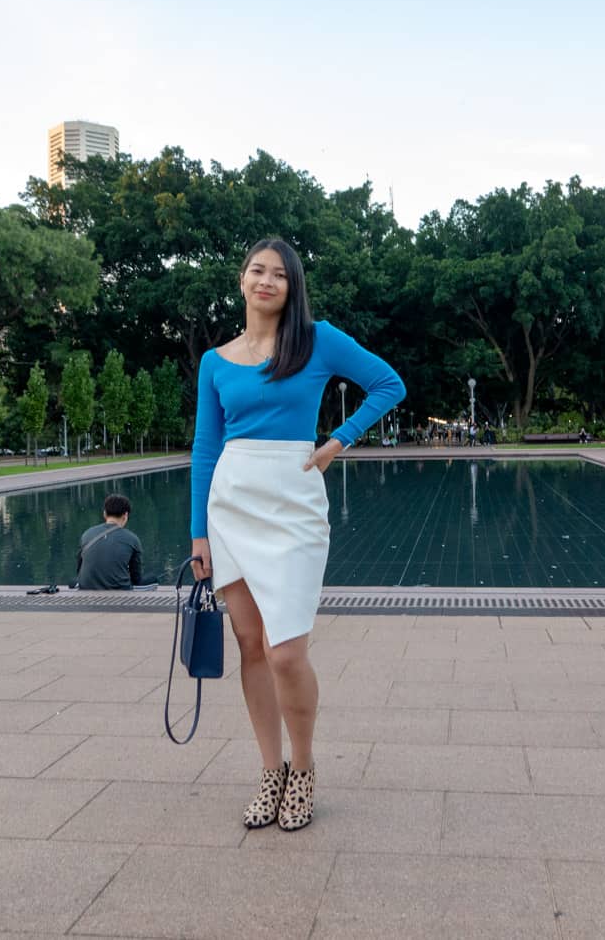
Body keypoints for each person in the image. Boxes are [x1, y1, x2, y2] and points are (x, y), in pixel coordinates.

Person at [191, 237, 404, 833]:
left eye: (279, 275)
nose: (266, 281)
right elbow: (206, 446)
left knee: (286, 651)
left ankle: (304, 769)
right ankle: (270, 770)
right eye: (257, 270)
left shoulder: (316, 339)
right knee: (250, 645)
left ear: (292, 286)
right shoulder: (216, 360)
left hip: (292, 501)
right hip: (229, 504)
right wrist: (197, 534)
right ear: (241, 280)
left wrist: (340, 439)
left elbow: (389, 384)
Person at [74, 494, 154, 590]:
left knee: (73, 581)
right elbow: (136, 578)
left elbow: (79, 569)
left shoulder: (87, 534)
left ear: (104, 513)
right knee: (153, 579)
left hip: (86, 588)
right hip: (120, 591)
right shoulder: (132, 539)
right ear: (126, 515)